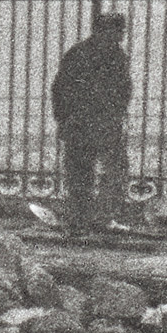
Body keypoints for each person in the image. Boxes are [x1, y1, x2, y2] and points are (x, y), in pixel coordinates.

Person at [50, 13, 132, 236]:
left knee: (88, 172)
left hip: (89, 123)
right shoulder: (106, 55)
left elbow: (59, 89)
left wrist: (64, 119)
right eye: (117, 31)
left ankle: (87, 219)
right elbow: (61, 89)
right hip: (93, 123)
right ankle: (95, 219)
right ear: (105, 31)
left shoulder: (81, 53)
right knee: (102, 171)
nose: (120, 36)